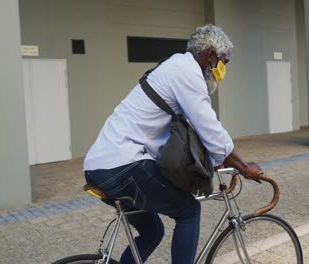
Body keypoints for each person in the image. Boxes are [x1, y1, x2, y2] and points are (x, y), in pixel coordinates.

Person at [83, 24, 263, 264]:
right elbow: (209, 127)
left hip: (100, 166)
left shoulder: (172, 67)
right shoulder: (187, 73)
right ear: (210, 55)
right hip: (123, 164)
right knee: (189, 211)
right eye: (224, 61)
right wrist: (243, 166)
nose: (221, 70)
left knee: (152, 232)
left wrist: (213, 160)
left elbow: (185, 136)